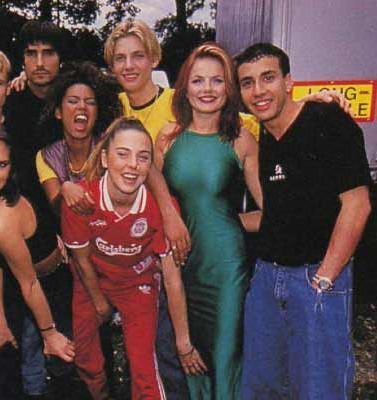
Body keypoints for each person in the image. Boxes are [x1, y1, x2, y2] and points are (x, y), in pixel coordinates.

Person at [234, 43, 371, 400]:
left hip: (316, 277)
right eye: (248, 83)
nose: (258, 90)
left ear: (289, 81)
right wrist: (214, 224)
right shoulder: (264, 134)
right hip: (267, 279)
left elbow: (357, 205)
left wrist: (324, 280)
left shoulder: (328, 122)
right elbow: (277, 216)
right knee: (262, 389)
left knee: (318, 389)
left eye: (268, 78)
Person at [154, 43, 262, 400]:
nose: (207, 89)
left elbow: (272, 213)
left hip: (226, 267)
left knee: (225, 355)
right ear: (184, 86)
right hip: (181, 263)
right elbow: (151, 186)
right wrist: (170, 216)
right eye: (198, 80)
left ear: (229, 88)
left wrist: (230, 224)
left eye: (217, 80)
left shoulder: (241, 139)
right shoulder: (167, 137)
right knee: (193, 361)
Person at [62, 117, 192, 400]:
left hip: (137, 284)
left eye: (142, 157)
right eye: (123, 154)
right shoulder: (81, 200)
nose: (133, 165)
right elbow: (81, 262)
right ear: (105, 159)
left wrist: (183, 343)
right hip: (92, 281)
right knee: (86, 359)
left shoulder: (161, 208)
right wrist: (100, 303)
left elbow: (172, 280)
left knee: (145, 367)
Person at [0, 119, 75, 399]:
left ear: (11, 167)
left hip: (51, 286)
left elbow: (30, 284)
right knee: (6, 358)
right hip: (15, 279)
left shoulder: (2, 217)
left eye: (1, 165)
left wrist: (49, 333)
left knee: (63, 367)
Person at [5, 20, 77, 398]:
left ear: (60, 58)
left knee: (69, 330)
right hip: (20, 232)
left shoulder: (73, 99)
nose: (39, 62)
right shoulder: (12, 101)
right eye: (31, 53)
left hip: (69, 232)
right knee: (24, 334)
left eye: (48, 53)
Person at [36, 61, 121, 211]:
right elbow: (57, 210)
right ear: (58, 112)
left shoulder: (113, 145)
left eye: (90, 102)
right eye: (73, 101)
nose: (82, 106)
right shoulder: (46, 156)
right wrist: (64, 190)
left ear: (97, 112)